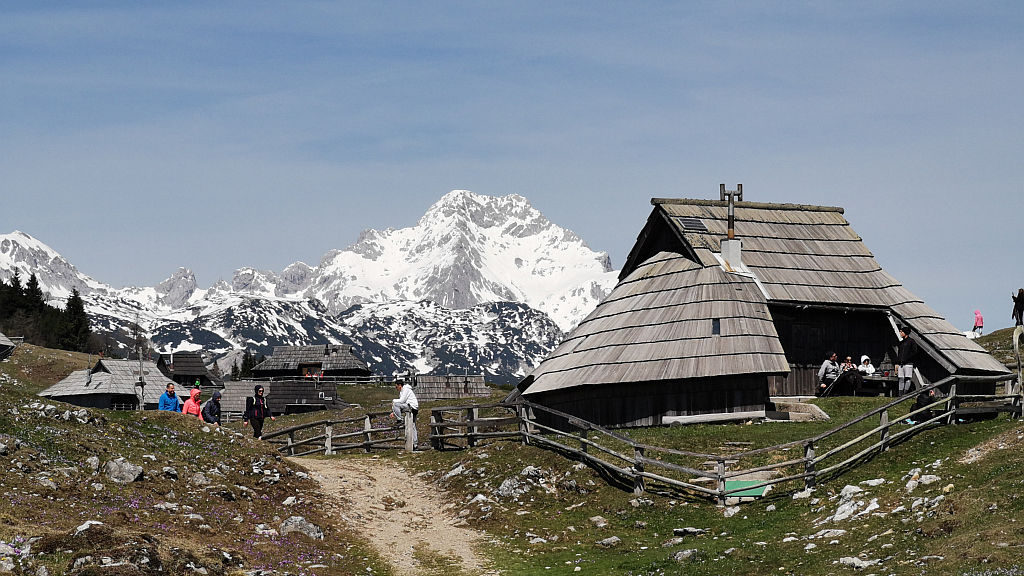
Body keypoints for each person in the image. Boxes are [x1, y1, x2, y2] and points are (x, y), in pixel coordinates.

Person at [389, 379, 419, 447]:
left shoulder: (406, 390)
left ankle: (400, 419)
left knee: (395, 404)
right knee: (413, 425)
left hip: (411, 407)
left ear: (400, 385)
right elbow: (401, 404)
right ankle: (415, 444)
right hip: (413, 407)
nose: (396, 388)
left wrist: (393, 401)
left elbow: (401, 401)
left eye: (396, 387)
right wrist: (393, 412)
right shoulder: (402, 392)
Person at [895, 325, 919, 396]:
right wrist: (897, 362)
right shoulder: (901, 342)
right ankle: (900, 395)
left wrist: (907, 358)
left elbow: (914, 352)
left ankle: (905, 394)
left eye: (901, 332)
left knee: (907, 378)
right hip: (901, 364)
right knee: (901, 378)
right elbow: (899, 353)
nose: (900, 333)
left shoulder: (911, 341)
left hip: (908, 363)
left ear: (905, 333)